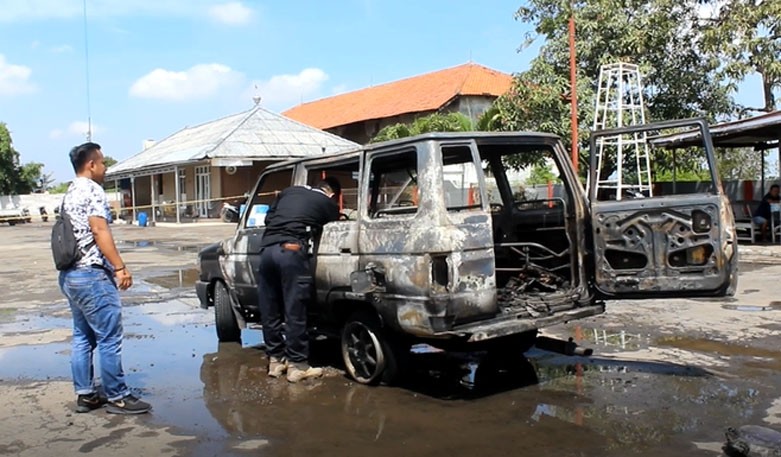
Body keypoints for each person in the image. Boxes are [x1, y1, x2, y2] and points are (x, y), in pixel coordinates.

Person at [58, 142, 151, 415]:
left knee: (82, 336)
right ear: (91, 165)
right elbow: (99, 231)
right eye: (102, 162)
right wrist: (120, 267)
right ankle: (118, 396)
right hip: (92, 275)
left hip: (70, 275)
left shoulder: (70, 191)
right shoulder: (92, 190)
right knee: (109, 337)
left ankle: (85, 395)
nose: (105, 167)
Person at [257, 177, 341, 383]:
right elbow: (334, 224)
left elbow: (269, 219)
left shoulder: (288, 190)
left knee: (270, 307)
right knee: (295, 308)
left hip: (267, 251)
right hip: (292, 251)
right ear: (332, 194)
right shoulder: (327, 203)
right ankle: (297, 365)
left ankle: (275, 361)